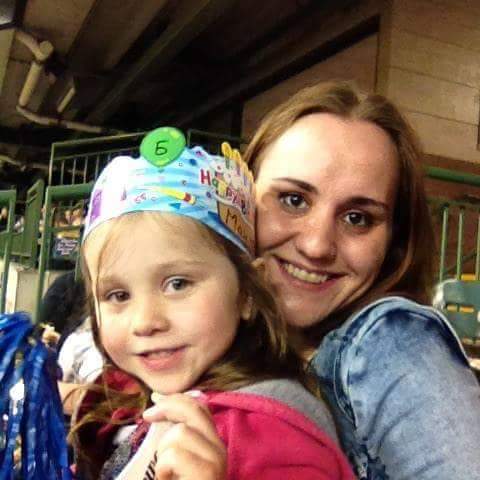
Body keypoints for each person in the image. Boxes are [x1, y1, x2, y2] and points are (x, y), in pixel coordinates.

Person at [71, 130, 354, 480]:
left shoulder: (276, 436)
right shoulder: (126, 399)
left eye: (178, 284)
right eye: (118, 295)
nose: (145, 321)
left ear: (247, 292)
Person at [240, 81, 480, 479]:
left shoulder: (390, 345)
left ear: (394, 244)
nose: (317, 246)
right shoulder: (204, 338)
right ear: (239, 199)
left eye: (358, 218)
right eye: (293, 200)